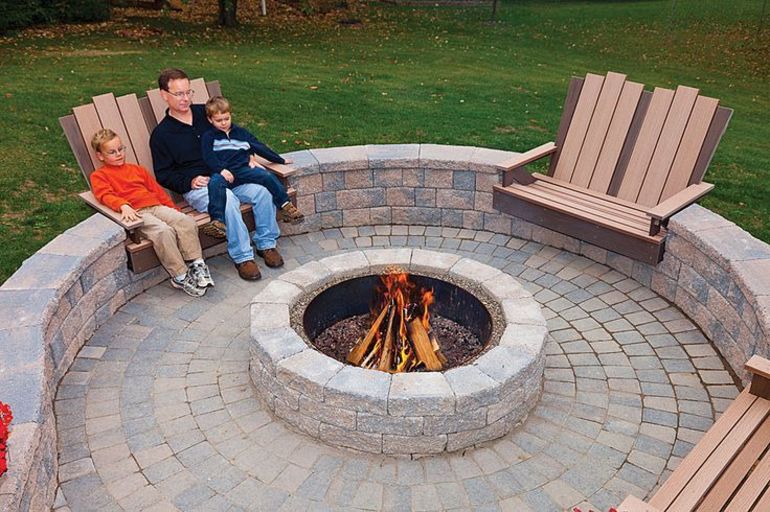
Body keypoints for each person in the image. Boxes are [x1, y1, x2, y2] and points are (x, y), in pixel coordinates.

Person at [149, 68, 284, 281]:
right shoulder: (162, 135)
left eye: (188, 92)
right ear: (164, 95)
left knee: (262, 191)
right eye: (179, 94)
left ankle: (266, 243)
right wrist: (189, 181)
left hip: (231, 175)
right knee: (227, 201)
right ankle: (242, 257)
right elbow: (163, 174)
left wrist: (248, 155)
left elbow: (237, 135)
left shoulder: (207, 114)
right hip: (201, 187)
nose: (185, 99)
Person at [89, 129, 213, 297]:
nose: (119, 154)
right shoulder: (99, 176)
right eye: (112, 152)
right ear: (100, 156)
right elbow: (104, 195)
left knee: (186, 221)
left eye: (121, 149)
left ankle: (196, 264)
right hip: (137, 213)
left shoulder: (137, 170)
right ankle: (179, 275)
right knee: (163, 231)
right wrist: (123, 205)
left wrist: (175, 210)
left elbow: (158, 192)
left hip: (155, 206)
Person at [201, 95, 303, 239]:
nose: (224, 123)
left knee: (266, 176)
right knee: (214, 183)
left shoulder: (241, 133)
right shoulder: (209, 137)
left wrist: (278, 159)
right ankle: (217, 221)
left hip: (243, 171)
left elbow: (259, 147)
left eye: (226, 118)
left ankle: (285, 204)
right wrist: (221, 170)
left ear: (230, 115)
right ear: (210, 119)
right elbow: (208, 157)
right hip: (223, 173)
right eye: (219, 120)